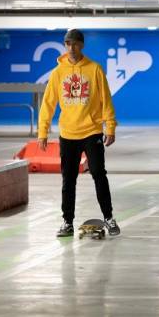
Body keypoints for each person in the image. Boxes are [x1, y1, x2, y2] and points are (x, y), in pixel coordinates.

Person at [38, 29, 120, 237]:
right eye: (67, 44)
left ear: (82, 45)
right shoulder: (57, 73)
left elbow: (106, 101)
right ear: (64, 46)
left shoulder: (94, 70)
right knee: (68, 180)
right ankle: (67, 222)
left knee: (99, 175)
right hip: (68, 133)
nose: (71, 48)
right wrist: (43, 132)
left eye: (75, 44)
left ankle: (109, 218)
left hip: (92, 131)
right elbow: (48, 104)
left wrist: (109, 126)